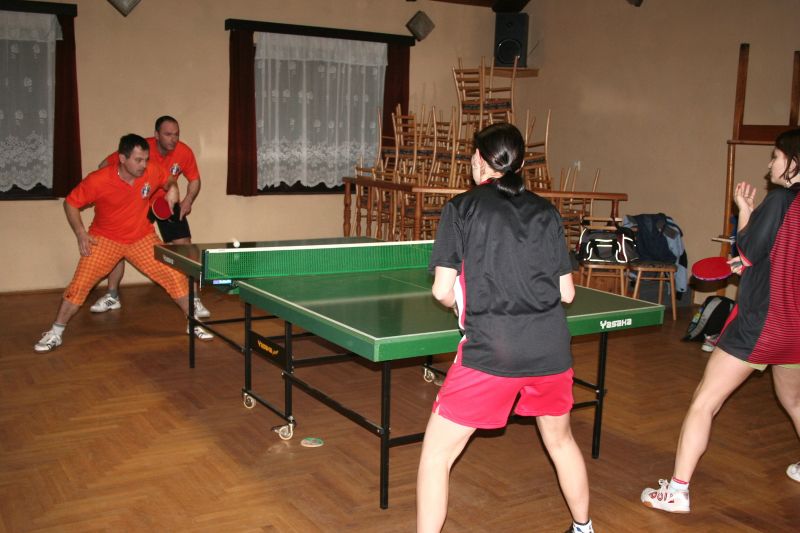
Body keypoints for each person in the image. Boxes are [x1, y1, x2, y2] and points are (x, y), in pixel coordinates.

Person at [416, 123, 594, 533]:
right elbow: (566, 294)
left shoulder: (461, 208)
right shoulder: (547, 212)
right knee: (561, 442)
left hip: (491, 352)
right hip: (551, 350)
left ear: (478, 160)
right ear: (521, 163)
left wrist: (458, 300)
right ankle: (584, 528)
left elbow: (442, 290)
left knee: (437, 455)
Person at [641, 128, 800, 513]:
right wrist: (750, 264)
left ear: (795, 161)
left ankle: (677, 490)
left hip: (761, 324)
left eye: (776, 157)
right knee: (795, 400)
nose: (770, 164)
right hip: (796, 328)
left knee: (704, 402)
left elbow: (749, 247)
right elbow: (780, 256)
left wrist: (744, 211)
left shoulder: (780, 199)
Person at [34, 134, 213, 353]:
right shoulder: (98, 180)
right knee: (80, 284)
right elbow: (70, 203)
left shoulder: (150, 170)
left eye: (146, 159)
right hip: (105, 239)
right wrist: (80, 233)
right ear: (122, 158)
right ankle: (55, 332)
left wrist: (173, 187)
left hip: (141, 238)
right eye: (138, 160)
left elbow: (167, 178)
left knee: (175, 275)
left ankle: (193, 323)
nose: (144, 165)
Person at [89, 116, 210, 318]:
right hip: (139, 204)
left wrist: (188, 200)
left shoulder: (184, 152)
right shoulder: (141, 149)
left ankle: (194, 298)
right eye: (168, 134)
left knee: (185, 247)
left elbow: (195, 180)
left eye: (176, 134)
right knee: (118, 244)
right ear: (156, 135)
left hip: (166, 203)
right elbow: (104, 165)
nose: (173, 139)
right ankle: (112, 296)